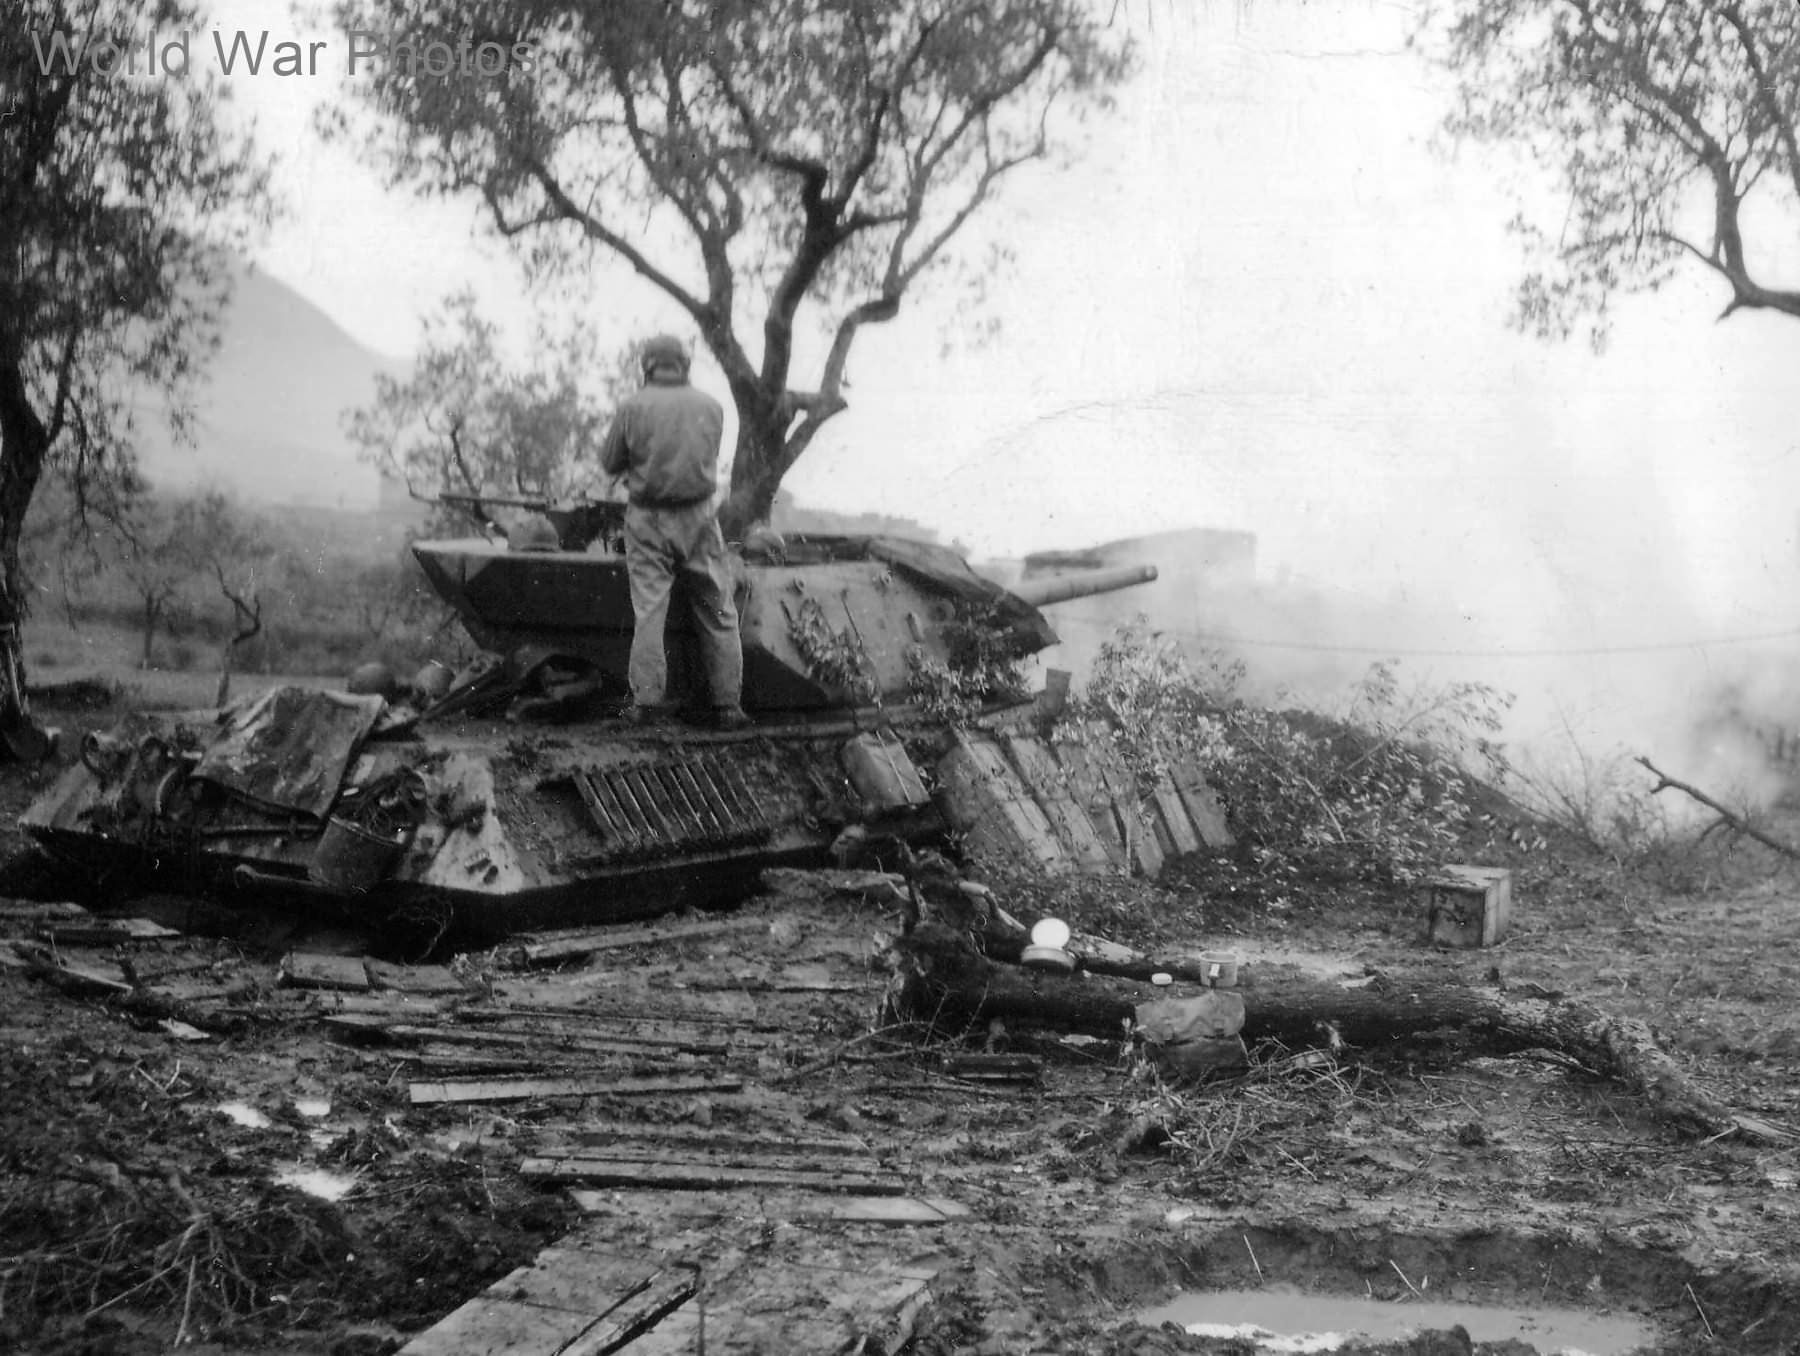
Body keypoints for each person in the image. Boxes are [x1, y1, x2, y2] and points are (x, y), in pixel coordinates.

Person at [598, 334, 750, 730]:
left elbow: (610, 462)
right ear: (684, 365)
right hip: (700, 517)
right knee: (719, 608)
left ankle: (646, 704)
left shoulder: (632, 407)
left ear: (647, 365)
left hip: (648, 519)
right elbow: (709, 458)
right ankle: (728, 706)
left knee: (650, 610)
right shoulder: (712, 407)